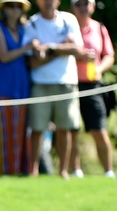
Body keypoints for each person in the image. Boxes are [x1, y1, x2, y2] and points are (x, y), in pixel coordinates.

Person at [22, 0, 86, 178]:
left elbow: (78, 49)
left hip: (66, 82)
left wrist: (49, 47)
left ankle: (63, 171)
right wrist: (63, 47)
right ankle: (33, 171)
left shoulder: (69, 20)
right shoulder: (32, 24)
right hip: (40, 84)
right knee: (37, 129)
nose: (48, 2)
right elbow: (33, 61)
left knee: (64, 129)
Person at [0, 0, 36, 176]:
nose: (15, 9)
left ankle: (17, 169)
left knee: (19, 132)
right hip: (1, 87)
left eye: (18, 6)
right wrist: (26, 48)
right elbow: (4, 56)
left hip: (21, 86)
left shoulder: (24, 29)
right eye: (11, 5)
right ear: (4, 9)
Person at [70, 0, 115, 178]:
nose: (82, 8)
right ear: (73, 7)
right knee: (71, 129)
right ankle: (75, 171)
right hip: (70, 83)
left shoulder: (99, 28)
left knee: (99, 129)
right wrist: (78, 56)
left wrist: (99, 68)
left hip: (92, 85)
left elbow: (109, 55)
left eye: (86, 4)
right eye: (78, 4)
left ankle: (108, 172)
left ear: (92, 7)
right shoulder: (68, 26)